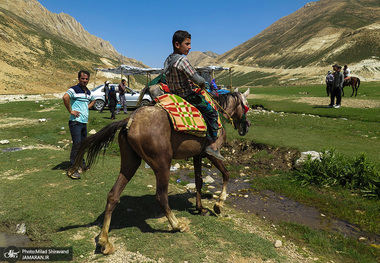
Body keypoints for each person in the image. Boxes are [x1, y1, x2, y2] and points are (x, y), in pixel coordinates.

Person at [164, 30, 224, 160]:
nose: (190, 47)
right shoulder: (182, 60)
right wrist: (202, 84)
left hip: (173, 96)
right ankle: (212, 145)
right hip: (187, 96)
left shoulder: (168, 60)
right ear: (177, 44)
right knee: (212, 112)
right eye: (187, 44)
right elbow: (198, 79)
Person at [63, 70, 95, 179]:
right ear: (79, 79)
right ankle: (73, 168)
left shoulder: (88, 92)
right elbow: (65, 97)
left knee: (83, 145)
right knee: (77, 144)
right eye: (83, 78)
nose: (85, 80)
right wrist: (71, 111)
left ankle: (81, 163)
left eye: (86, 79)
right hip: (75, 122)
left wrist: (86, 107)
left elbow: (93, 100)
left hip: (83, 122)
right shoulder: (74, 89)